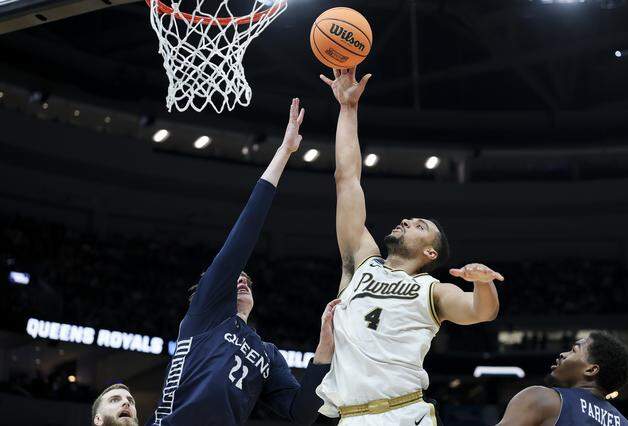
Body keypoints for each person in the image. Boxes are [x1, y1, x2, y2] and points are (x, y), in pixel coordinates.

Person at [315, 68, 505, 425]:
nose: (405, 221)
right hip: (346, 417)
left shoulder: (431, 291)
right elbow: (347, 178)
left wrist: (482, 282)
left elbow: (481, 311)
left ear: (430, 253)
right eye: (409, 220)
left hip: (402, 413)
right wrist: (347, 109)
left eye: (420, 226)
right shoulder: (361, 262)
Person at [148, 99, 339, 426]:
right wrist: (284, 152)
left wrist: (325, 346)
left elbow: (301, 413)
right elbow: (242, 237)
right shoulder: (207, 314)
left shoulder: (267, 354)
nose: (241, 281)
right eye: (236, 278)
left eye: (247, 281)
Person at [498, 331, 628, 425]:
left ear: (591, 369)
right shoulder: (626, 423)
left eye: (574, 350)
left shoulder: (542, 399)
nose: (563, 354)